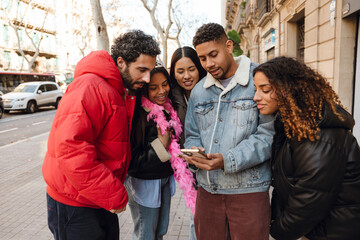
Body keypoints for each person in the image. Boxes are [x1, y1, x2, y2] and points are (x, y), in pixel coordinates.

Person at [42, 30, 160, 240]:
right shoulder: (90, 86)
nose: (147, 78)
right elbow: (71, 151)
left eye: (150, 70)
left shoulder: (117, 89)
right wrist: (113, 194)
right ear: (121, 62)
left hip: (96, 198)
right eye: (142, 69)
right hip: (76, 204)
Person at [181, 22, 275, 240]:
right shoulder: (198, 91)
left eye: (213, 54)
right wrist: (194, 152)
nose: (208, 63)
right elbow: (192, 134)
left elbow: (268, 135)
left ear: (229, 46)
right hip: (207, 192)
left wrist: (227, 160)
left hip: (249, 192)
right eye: (202, 58)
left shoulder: (259, 80)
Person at [253, 56, 360, 240]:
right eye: (256, 89)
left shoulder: (317, 134)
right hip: (315, 229)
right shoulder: (294, 124)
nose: (256, 97)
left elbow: (310, 199)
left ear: (289, 90)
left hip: (333, 232)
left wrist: (278, 230)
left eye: (265, 90)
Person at [125, 65, 179, 239]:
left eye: (165, 85)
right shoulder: (137, 114)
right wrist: (160, 146)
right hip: (144, 184)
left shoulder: (169, 110)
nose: (161, 91)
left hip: (164, 178)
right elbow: (132, 162)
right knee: (145, 233)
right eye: (154, 88)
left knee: (160, 231)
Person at [169, 46, 206, 240]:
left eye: (191, 69)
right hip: (189, 168)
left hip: (215, 165)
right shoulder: (171, 97)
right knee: (196, 218)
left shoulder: (211, 89)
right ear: (173, 73)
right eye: (180, 71)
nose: (186, 76)